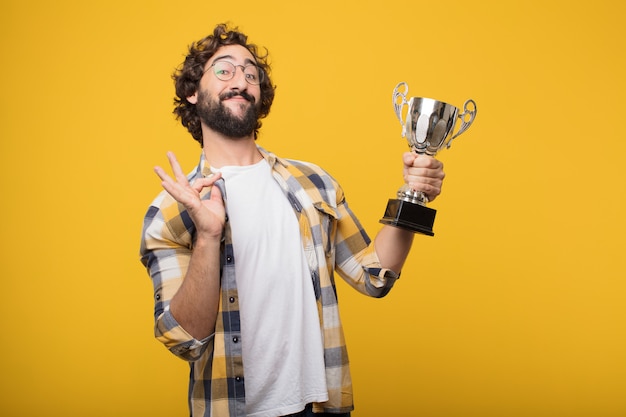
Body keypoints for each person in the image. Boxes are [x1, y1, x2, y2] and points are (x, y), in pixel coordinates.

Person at [139, 23, 445, 417]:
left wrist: (413, 195)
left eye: (251, 73)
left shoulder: (314, 183)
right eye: (224, 70)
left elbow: (375, 275)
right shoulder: (168, 212)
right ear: (192, 92)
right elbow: (186, 339)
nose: (242, 80)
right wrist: (208, 235)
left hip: (318, 406)